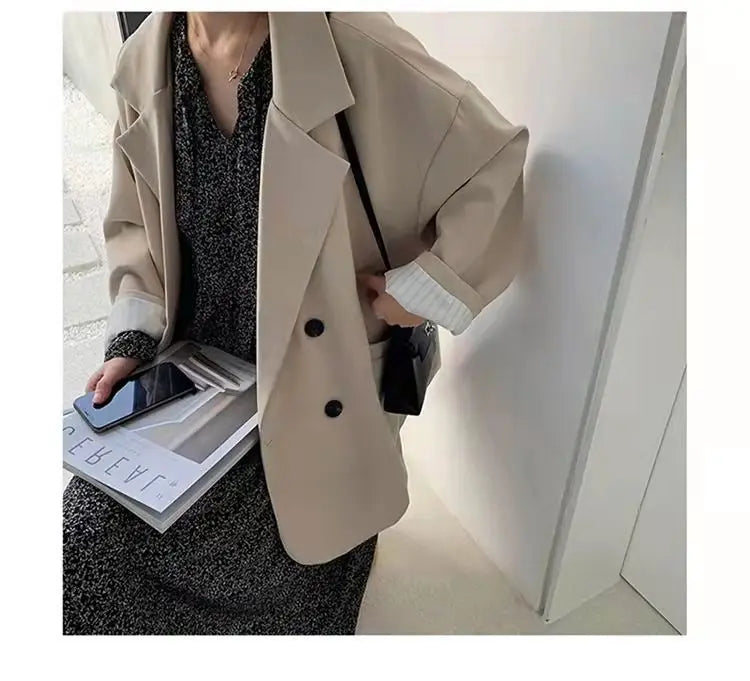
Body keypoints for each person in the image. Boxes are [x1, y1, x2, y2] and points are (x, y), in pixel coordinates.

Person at [63, 11, 528, 635]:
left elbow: (494, 160)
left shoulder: (354, 48)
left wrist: (423, 291)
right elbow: (135, 227)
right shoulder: (146, 60)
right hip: (197, 384)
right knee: (80, 544)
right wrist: (132, 339)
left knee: (261, 569)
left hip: (314, 393)